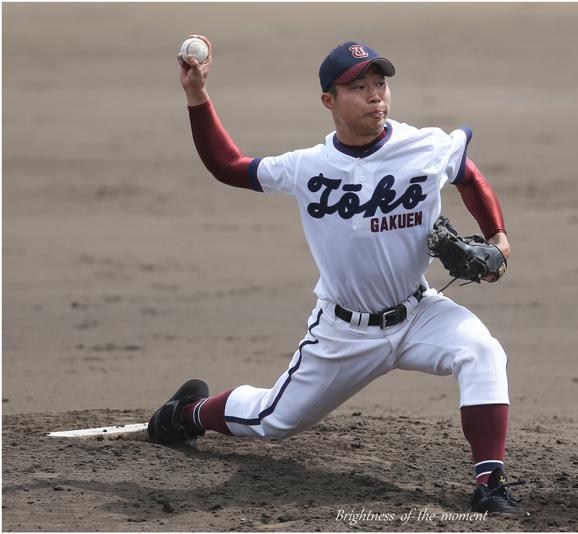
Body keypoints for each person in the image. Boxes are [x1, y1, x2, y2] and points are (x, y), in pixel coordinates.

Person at [148, 36, 528, 516]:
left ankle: (489, 484)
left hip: (420, 312)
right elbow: (228, 166)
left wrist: (497, 235)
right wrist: (197, 95)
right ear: (329, 100)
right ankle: (187, 414)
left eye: (380, 84)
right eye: (359, 87)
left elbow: (468, 174)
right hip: (343, 331)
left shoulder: (426, 145)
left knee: (482, 351)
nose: (375, 96)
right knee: (272, 419)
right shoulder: (309, 167)